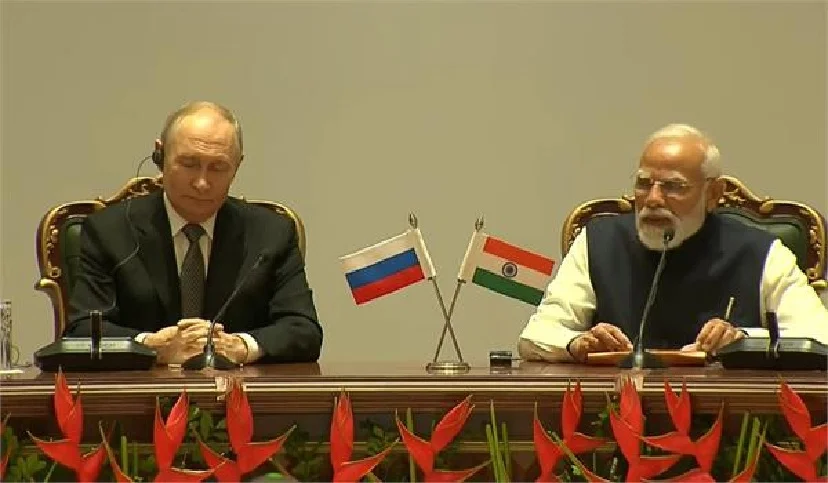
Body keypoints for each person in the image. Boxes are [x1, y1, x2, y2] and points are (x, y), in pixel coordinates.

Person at [519, 123, 828, 363]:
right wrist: (576, 344)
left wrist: (743, 340)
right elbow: (536, 335)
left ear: (713, 194)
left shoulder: (761, 252)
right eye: (643, 184)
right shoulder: (598, 242)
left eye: (673, 187)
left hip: (728, 414)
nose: (653, 199)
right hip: (616, 409)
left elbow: (819, 337)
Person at [65, 101, 322, 364]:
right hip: (142, 387)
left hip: (236, 386)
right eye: (189, 164)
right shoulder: (109, 231)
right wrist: (151, 346)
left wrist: (241, 346)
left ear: (237, 166)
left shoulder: (271, 233)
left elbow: (304, 330)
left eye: (218, 167)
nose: (202, 183)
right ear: (160, 156)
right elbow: (82, 331)